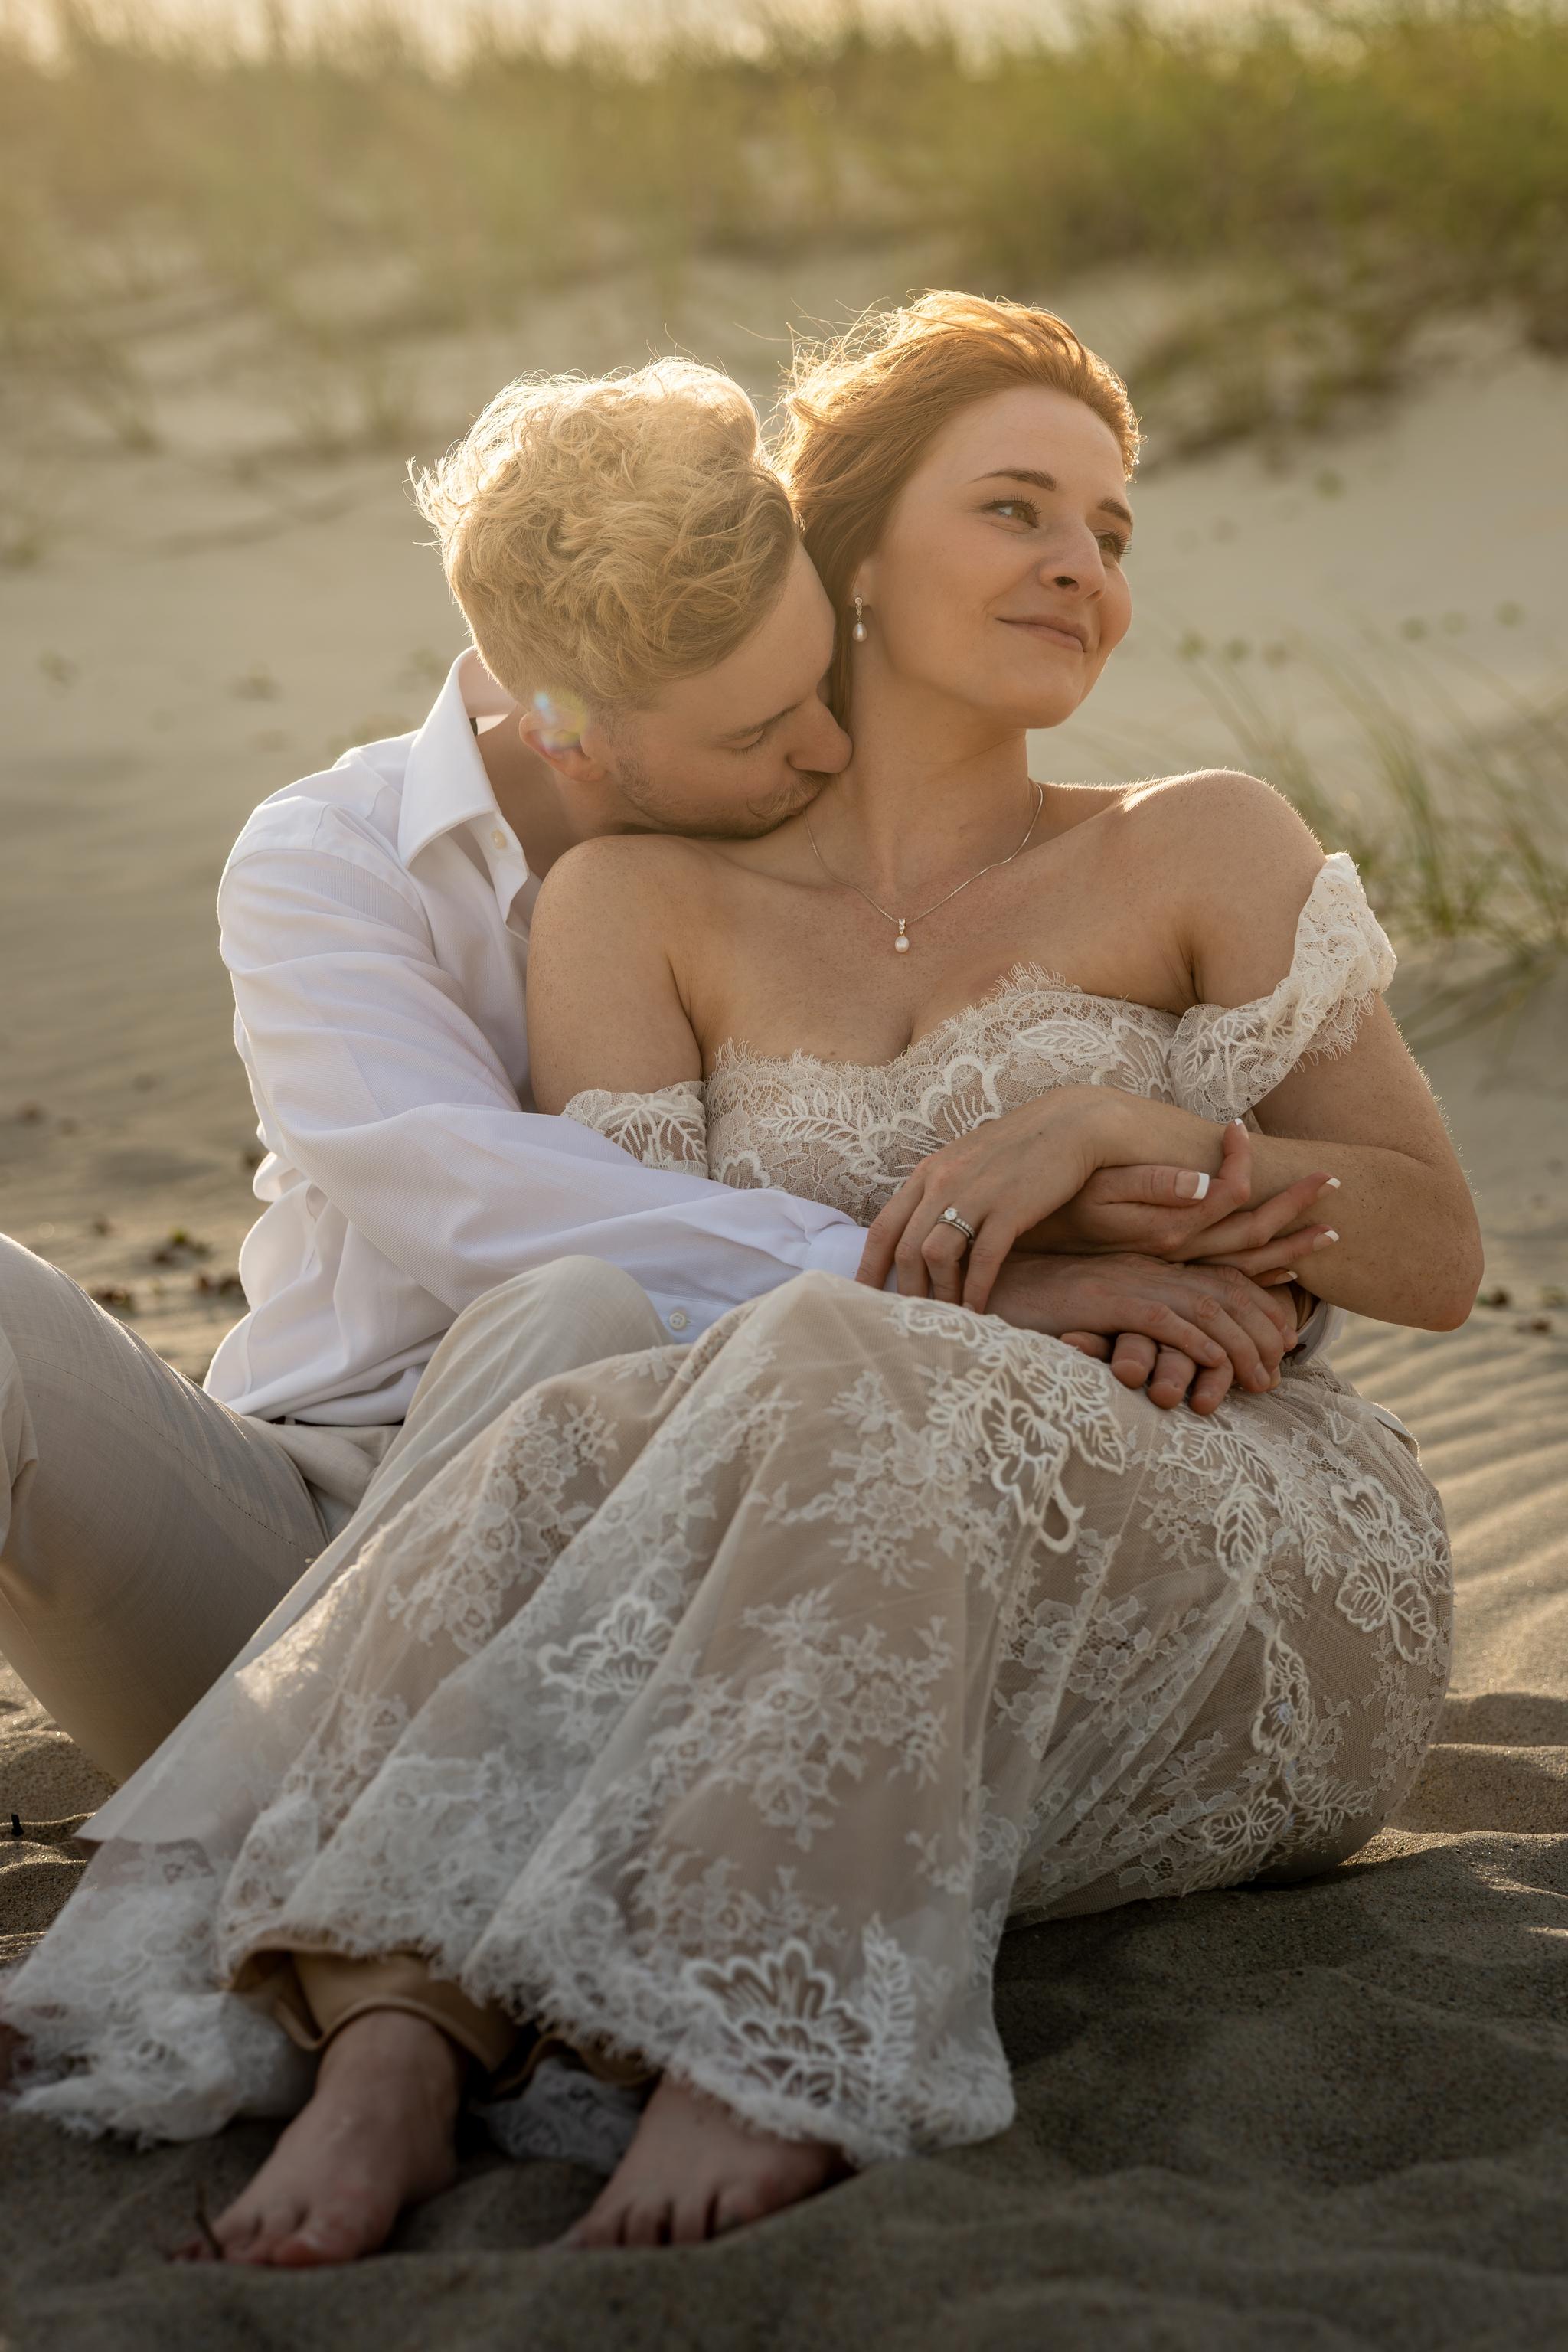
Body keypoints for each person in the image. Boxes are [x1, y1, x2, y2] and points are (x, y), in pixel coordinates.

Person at [2, 298, 1465, 2267]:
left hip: (1175, 1507)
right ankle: (402, 2030)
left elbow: (1433, 1250)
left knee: (783, 1364)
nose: (1078, 567)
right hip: (531, 1503)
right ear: (847, 555)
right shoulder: (564, 893)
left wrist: (1120, 1142)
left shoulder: (1199, 839)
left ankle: (740, 2042)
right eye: (1016, 506)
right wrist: (977, 1288)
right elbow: (578, 1272)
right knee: (711, 1350)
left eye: (1112, 530)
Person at [0, 356, 1329, 1785]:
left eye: (817, 684)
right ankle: (306, 1808)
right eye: (760, 732)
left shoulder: (804, 838)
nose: (825, 748)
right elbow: (485, 1212)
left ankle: (366, 1842)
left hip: (658, 1558)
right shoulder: (329, 861)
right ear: (566, 730)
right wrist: (966, 1287)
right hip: (317, 1523)